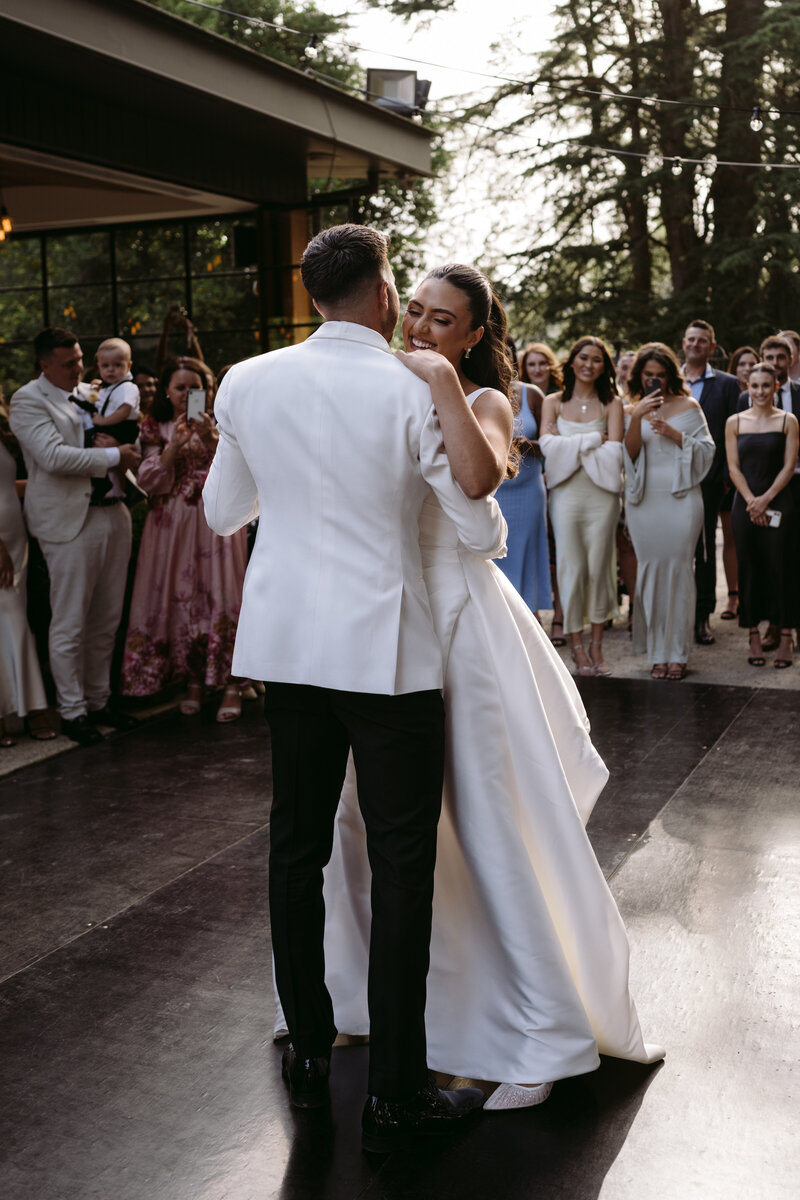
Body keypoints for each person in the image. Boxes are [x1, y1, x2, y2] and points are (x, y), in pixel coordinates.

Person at [289, 264, 663, 1114]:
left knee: (485, 823)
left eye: (441, 320)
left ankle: (544, 1035)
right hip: (375, 628)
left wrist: (442, 382)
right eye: (413, 311)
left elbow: (479, 479)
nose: (419, 328)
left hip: (457, 621)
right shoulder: (361, 384)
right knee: (366, 825)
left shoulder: (487, 397)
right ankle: (355, 998)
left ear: (471, 335)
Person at [203, 227, 502, 1152]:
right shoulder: (408, 388)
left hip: (289, 649)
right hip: (387, 654)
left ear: (311, 292)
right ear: (380, 292)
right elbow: (477, 522)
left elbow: (222, 511)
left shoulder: (247, 382)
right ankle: (398, 1089)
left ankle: (307, 1044)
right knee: (402, 860)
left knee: (295, 843)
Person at [9, 327, 141, 746]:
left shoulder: (92, 392)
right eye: (69, 363)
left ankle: (100, 701)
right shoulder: (28, 400)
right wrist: (115, 455)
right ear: (44, 364)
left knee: (106, 619)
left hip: (112, 511)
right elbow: (51, 456)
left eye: (81, 359)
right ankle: (72, 710)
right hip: (68, 520)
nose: (80, 368)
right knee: (70, 620)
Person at [120, 357, 247, 723]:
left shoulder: (223, 421)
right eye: (180, 388)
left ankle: (231, 684)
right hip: (171, 527)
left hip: (216, 524)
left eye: (196, 388)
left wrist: (210, 438)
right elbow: (147, 480)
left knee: (221, 594)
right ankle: (193, 679)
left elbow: (244, 470)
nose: (187, 394)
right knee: (181, 596)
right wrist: (174, 445)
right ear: (166, 390)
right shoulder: (154, 426)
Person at [623, 344, 715, 679]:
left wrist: (674, 433)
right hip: (644, 501)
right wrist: (637, 416)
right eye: (649, 376)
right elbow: (628, 454)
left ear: (670, 376)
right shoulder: (631, 408)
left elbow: (707, 451)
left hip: (682, 499)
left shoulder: (690, 405)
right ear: (640, 377)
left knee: (679, 572)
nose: (655, 381)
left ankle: (678, 652)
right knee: (650, 572)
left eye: (660, 376)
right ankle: (657, 654)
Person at [540, 337, 624, 677]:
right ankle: (575, 644)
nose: (590, 364)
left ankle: (597, 645)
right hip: (566, 495)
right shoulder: (553, 401)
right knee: (570, 567)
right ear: (571, 361)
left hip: (602, 496)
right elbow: (548, 446)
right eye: (583, 357)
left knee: (599, 567)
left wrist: (569, 447)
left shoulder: (612, 404)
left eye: (597, 360)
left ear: (604, 367)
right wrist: (592, 441)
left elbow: (614, 452)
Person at [726, 362, 799, 668]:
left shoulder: (788, 420)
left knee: (782, 568)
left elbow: (789, 465)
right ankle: (753, 635)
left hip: (780, 500)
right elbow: (732, 467)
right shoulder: (735, 421)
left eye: (766, 386)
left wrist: (766, 499)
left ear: (775, 387)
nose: (759, 392)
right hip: (745, 503)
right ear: (748, 387)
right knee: (749, 568)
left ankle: (785, 637)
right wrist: (751, 501)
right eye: (754, 386)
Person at [680, 319, 741, 646]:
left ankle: (702, 617)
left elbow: (734, 433)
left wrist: (727, 476)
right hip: (669, 480)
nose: (695, 345)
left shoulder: (728, 384)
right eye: (691, 339)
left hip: (708, 480)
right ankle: (674, 615)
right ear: (683, 342)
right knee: (675, 548)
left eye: (702, 341)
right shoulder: (668, 380)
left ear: (711, 347)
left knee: (703, 551)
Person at [0, 392, 54, 745]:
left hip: (16, 537)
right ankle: (24, 712)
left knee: (16, 624)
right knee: (12, 625)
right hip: (0, 545)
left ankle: (24, 709)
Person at [493, 367, 551, 617]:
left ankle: (531, 616)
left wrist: (519, 444)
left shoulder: (532, 395)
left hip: (528, 490)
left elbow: (550, 445)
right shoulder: (476, 390)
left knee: (528, 551)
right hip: (493, 490)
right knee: (495, 551)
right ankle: (500, 617)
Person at [518, 343, 565, 642]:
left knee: (552, 550)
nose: (537, 370)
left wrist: (526, 447)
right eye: (530, 364)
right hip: (504, 489)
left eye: (541, 364)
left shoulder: (542, 398)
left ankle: (556, 617)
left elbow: (556, 443)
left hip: (547, 482)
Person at [719, 346, 759, 622]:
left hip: (761, 477)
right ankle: (734, 596)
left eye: (751, 363)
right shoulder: (731, 392)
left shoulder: (765, 394)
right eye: (741, 363)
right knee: (731, 538)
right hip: (730, 478)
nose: (745, 368)